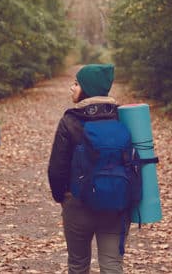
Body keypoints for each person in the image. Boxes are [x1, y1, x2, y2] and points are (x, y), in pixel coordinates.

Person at [48, 64, 129, 274]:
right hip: (116, 204)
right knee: (112, 265)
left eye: (76, 83)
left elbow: (57, 168)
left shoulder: (70, 120)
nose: (71, 87)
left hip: (78, 203)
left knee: (78, 265)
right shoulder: (123, 117)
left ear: (87, 88)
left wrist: (63, 198)